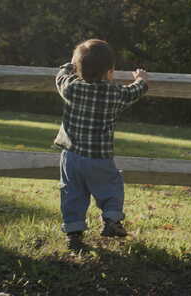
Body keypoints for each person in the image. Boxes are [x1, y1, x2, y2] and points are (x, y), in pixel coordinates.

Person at [54, 38, 149, 250]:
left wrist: (69, 65)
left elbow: (60, 77)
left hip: (71, 156)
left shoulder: (71, 88)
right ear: (110, 71)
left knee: (72, 192)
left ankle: (73, 234)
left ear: (78, 69)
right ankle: (112, 219)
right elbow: (135, 91)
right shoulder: (115, 94)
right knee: (111, 186)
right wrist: (141, 79)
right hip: (100, 157)